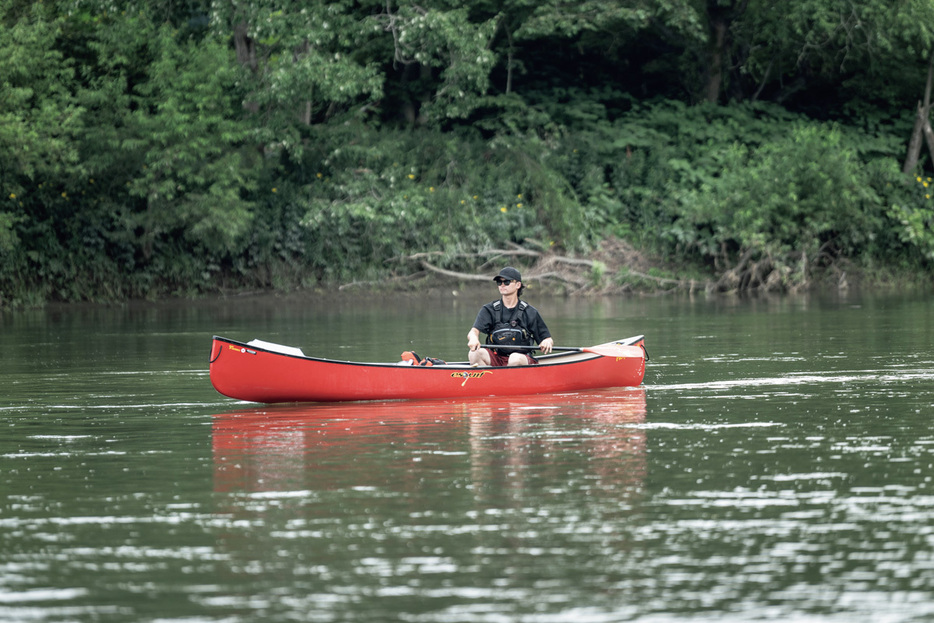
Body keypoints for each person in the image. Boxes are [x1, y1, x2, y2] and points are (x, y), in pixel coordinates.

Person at [467, 266, 554, 366]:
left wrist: (546, 342)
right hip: (497, 358)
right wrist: (473, 338)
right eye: (499, 282)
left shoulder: (530, 312)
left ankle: (508, 379)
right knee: (474, 353)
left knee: (514, 358)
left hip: (521, 359)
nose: (502, 285)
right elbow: (473, 332)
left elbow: (547, 339)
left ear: (518, 285)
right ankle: (489, 379)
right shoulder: (488, 309)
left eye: (507, 282)